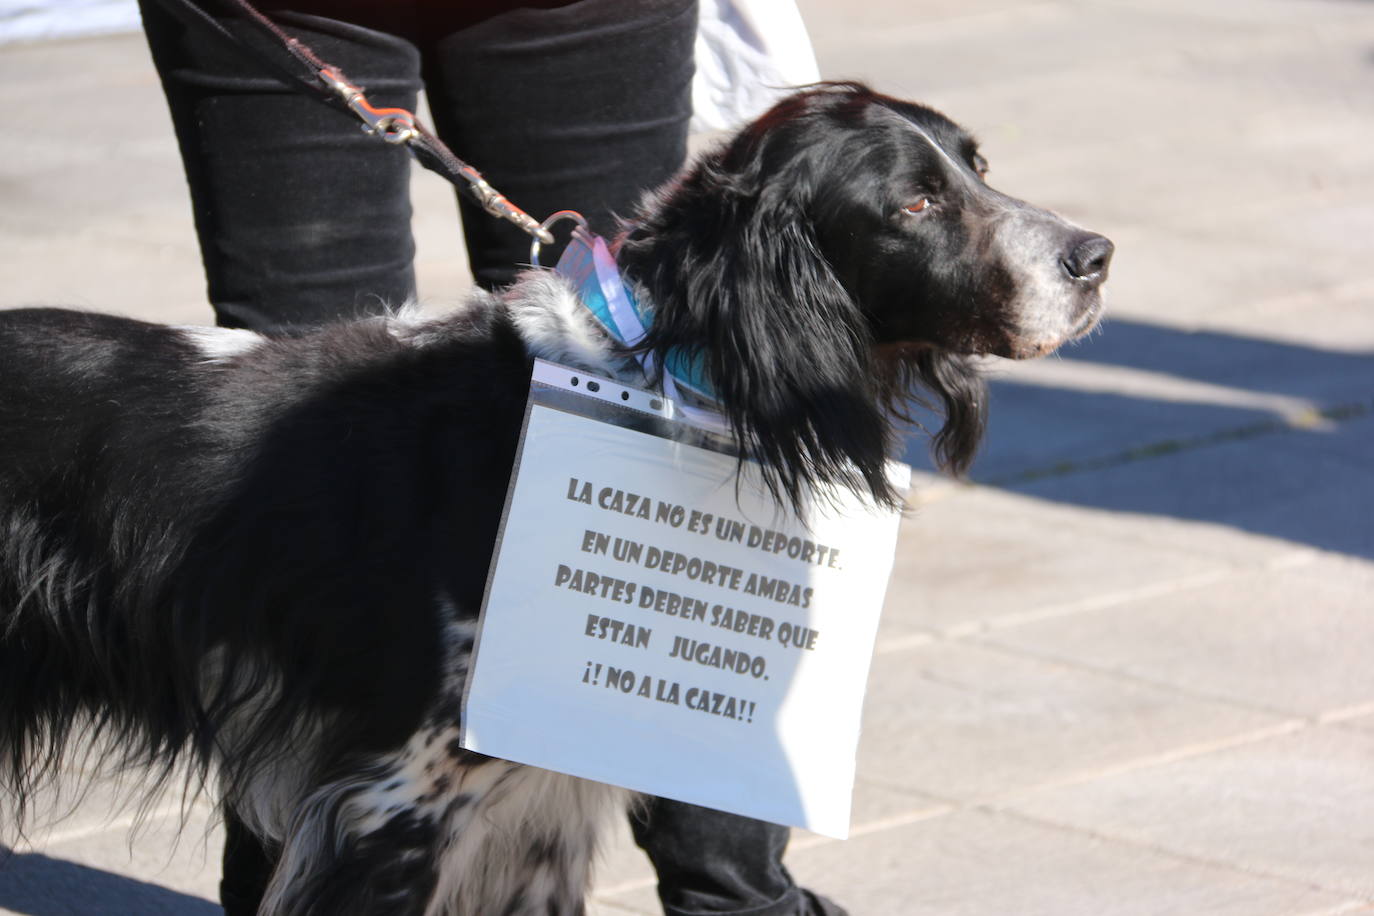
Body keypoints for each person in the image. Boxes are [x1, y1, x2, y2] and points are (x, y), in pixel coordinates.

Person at [137, 1, 846, 913]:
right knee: (292, 472)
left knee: (666, 435)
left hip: (579, 17)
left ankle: (731, 895)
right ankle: (289, 885)